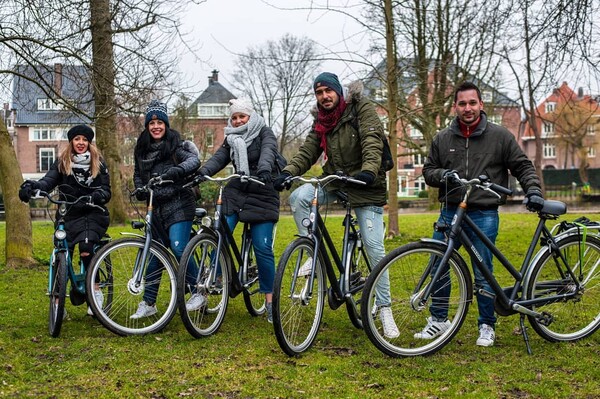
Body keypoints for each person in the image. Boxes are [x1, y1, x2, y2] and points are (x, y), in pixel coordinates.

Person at [273, 72, 400, 339]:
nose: (324, 97)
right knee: (299, 197)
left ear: (338, 92)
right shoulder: (321, 119)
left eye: (328, 91)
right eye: (318, 93)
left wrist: (368, 170)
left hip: (366, 183)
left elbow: (371, 139)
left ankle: (385, 307)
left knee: (375, 248)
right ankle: (312, 253)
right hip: (336, 180)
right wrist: (288, 171)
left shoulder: (359, 107)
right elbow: (309, 150)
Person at [421, 81, 543, 347]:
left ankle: (487, 325)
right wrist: (444, 175)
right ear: (455, 106)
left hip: (483, 212)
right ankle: (439, 319)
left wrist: (533, 189)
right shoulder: (443, 138)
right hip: (451, 211)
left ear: (481, 105)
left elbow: (522, 165)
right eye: (462, 103)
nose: (468, 108)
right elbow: (428, 170)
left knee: (483, 270)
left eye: (472, 103)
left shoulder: (500, 136)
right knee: (437, 263)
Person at [195, 98, 280, 323]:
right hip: (238, 188)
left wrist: (264, 169)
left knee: (262, 246)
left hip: (263, 189)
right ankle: (216, 277)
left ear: (250, 116)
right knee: (219, 233)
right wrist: (203, 172)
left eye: (242, 116)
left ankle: (270, 300)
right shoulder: (231, 137)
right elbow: (220, 158)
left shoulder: (264, 132)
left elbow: (268, 152)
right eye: (234, 117)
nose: (238, 120)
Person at [19, 124, 111, 316]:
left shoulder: (99, 163)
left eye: (85, 140)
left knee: (86, 249)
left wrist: (98, 195)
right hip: (68, 212)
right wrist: (32, 186)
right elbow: (48, 181)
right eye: (77, 139)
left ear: (89, 143)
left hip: (92, 213)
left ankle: (95, 291)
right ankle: (58, 299)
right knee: (62, 249)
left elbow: (106, 190)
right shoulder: (62, 162)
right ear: (71, 141)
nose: (81, 143)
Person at [131, 100, 201, 319]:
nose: (156, 126)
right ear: (147, 126)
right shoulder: (141, 148)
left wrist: (175, 172)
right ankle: (149, 302)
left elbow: (193, 161)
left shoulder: (175, 145)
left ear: (166, 124)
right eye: (152, 123)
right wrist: (140, 188)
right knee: (154, 253)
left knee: (179, 248)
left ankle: (198, 290)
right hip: (156, 207)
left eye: (160, 122)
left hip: (180, 202)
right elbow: (137, 174)